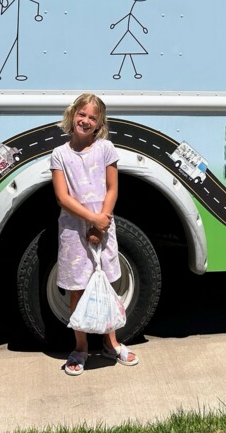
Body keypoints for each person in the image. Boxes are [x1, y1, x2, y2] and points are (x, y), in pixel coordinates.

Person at [51, 93, 139, 376]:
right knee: (77, 289)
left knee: (105, 286)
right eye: (82, 114)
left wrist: (102, 222)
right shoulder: (59, 154)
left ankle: (111, 343)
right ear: (72, 114)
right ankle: (80, 347)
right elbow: (62, 197)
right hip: (73, 230)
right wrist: (92, 220)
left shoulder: (106, 149)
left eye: (92, 118)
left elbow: (112, 188)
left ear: (99, 124)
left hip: (103, 226)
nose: (85, 121)